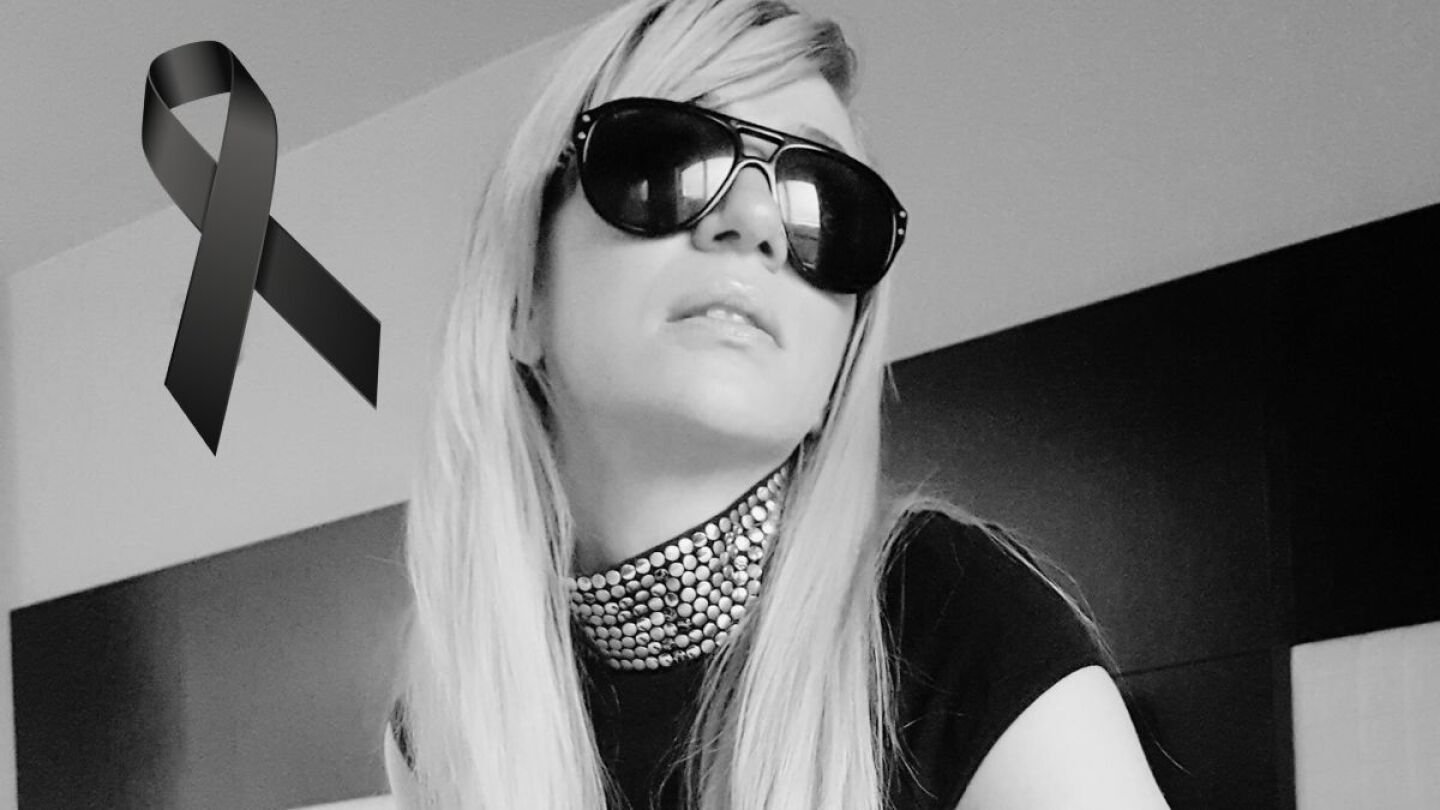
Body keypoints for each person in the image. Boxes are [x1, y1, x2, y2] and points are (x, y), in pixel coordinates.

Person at [383, 1, 1170, 808]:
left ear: (840, 360)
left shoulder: (962, 620)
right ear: (524, 293)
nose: (756, 221)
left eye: (826, 203)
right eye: (666, 158)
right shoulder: (445, 717)